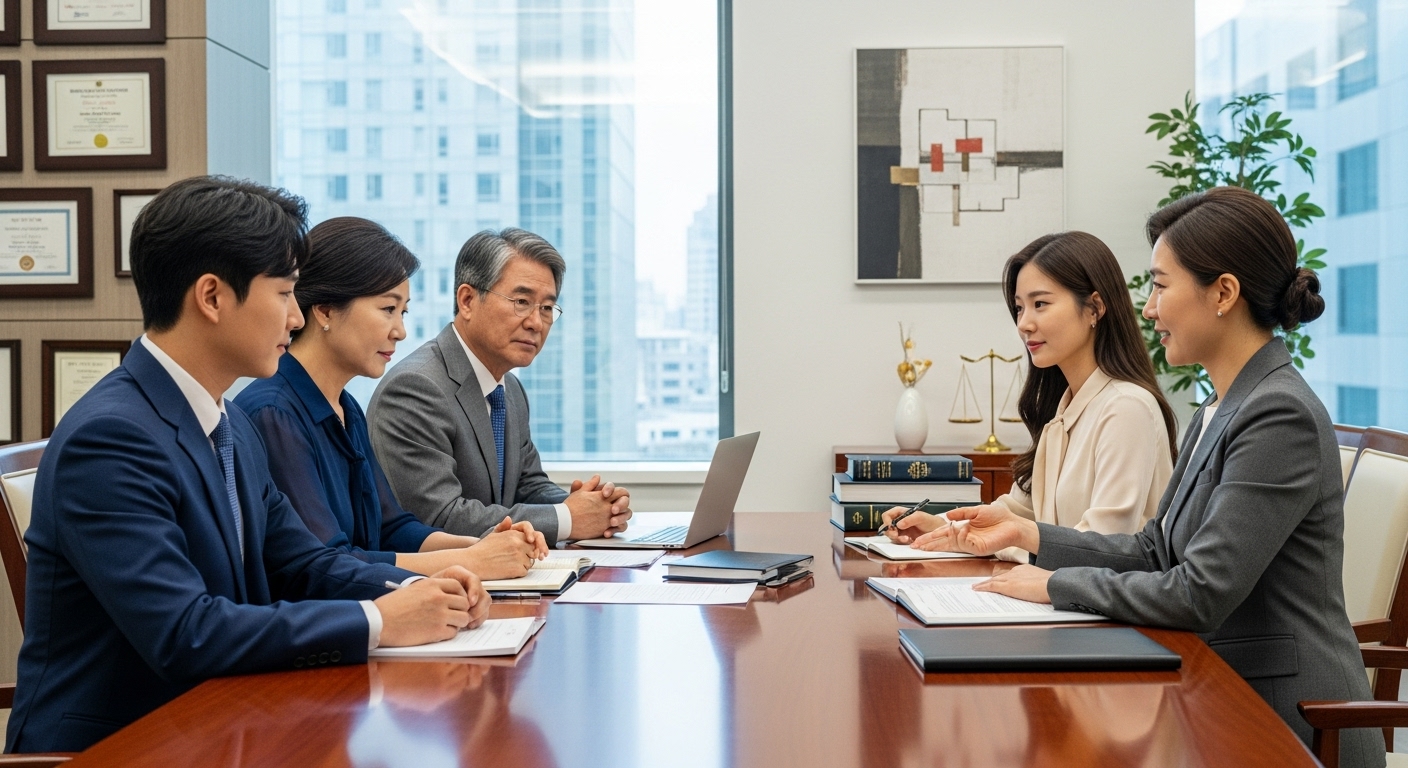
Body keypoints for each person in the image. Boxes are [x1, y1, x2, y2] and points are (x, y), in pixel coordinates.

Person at [5, 177, 491, 754]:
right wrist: (380, 620)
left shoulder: (229, 420)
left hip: (220, 722)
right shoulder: (110, 438)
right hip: (121, 746)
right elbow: (185, 633)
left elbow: (304, 564)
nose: (296, 318)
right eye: (284, 294)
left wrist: (428, 588)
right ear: (212, 297)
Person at [923, 186, 1383, 765]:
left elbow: (1199, 592)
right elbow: (1154, 550)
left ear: (1223, 293)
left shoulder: (1278, 414)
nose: (1148, 309)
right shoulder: (1221, 405)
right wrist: (1028, 534)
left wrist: (1054, 584)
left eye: (1161, 286)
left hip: (1284, 721)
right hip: (1215, 690)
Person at [236, 217, 549, 580]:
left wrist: (484, 545)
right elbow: (325, 565)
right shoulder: (274, 413)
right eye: (388, 309)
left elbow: (393, 528)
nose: (400, 331)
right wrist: (471, 561)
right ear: (325, 310)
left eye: (403, 312)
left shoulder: (346, 407)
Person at [883, 232, 1177, 559]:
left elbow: (1102, 545)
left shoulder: (1126, 408)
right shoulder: (1064, 409)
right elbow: (1019, 512)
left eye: (1040, 304)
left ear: (1094, 308)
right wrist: (939, 527)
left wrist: (1003, 541)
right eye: (1019, 308)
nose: (1024, 323)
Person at [367, 228, 632, 545]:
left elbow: (527, 486)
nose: (536, 322)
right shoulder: (415, 388)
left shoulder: (510, 390)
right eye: (522, 302)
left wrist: (592, 507)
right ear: (467, 300)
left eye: (547, 308)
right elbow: (438, 517)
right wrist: (568, 518)